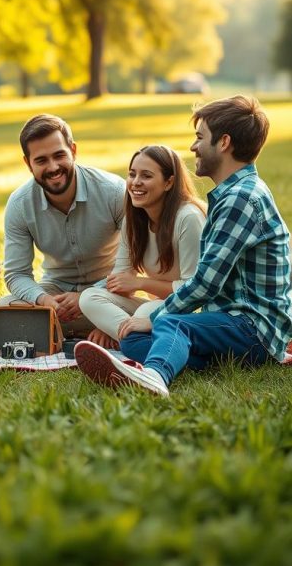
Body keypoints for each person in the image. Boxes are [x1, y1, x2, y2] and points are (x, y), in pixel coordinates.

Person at [75, 96, 292, 396]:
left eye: (200, 137)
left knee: (171, 324)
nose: (193, 147)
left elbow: (204, 285)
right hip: (230, 323)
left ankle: (154, 375)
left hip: (252, 328)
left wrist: (154, 317)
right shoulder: (233, 194)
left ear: (224, 142)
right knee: (132, 338)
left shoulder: (241, 199)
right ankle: (187, 357)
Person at [1, 114, 125, 334]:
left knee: (99, 304)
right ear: (28, 164)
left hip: (108, 290)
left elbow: (132, 263)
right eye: (41, 160)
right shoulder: (19, 204)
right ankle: (99, 328)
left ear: (74, 151)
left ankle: (57, 330)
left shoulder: (114, 191)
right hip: (56, 291)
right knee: (3, 308)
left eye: (59, 155)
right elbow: (16, 274)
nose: (53, 167)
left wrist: (85, 298)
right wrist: (43, 299)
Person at [79, 145, 206, 346]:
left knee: (145, 312)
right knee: (88, 297)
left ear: (169, 182)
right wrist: (104, 323)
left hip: (186, 311)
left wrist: (140, 283)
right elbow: (119, 281)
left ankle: (133, 342)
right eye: (132, 174)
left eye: (146, 176)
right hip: (154, 308)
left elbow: (194, 290)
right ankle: (130, 339)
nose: (136, 182)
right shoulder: (134, 219)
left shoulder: (188, 218)